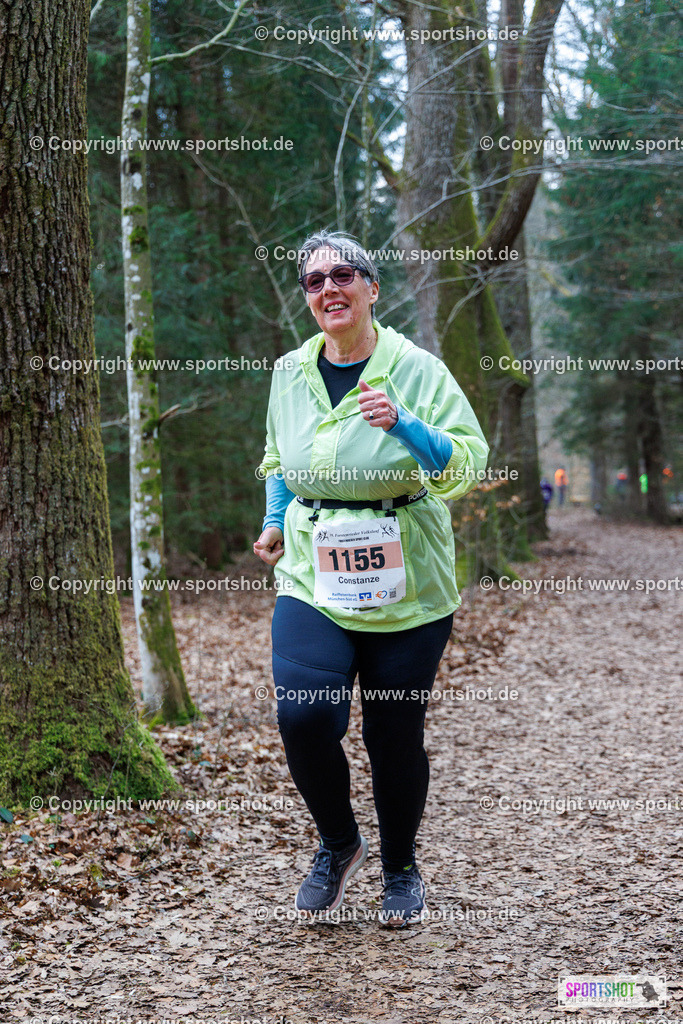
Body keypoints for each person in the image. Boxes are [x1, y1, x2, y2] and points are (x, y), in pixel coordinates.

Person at [253, 230, 489, 928]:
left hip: (406, 577)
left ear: (371, 288)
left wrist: (406, 426)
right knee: (303, 715)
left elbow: (464, 465)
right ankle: (338, 844)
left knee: (392, 733)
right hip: (311, 571)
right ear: (306, 298)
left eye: (344, 274)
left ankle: (401, 869)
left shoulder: (415, 368)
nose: (329, 287)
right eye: (314, 280)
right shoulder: (288, 371)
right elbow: (277, 459)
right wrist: (272, 521)